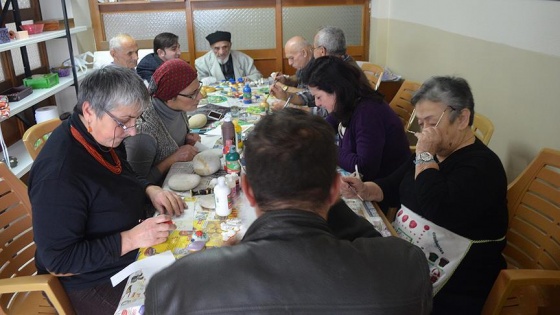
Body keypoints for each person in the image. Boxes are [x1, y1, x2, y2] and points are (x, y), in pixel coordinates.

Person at [145, 108, 432, 314]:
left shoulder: (174, 286)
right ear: (334, 191)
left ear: (247, 191)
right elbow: (377, 248)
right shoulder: (405, 266)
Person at [341, 76, 509, 315]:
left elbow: (437, 208)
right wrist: (366, 189)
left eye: (430, 122)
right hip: (411, 253)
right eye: (420, 124)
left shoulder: (483, 167)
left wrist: (425, 156)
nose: (423, 132)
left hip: (456, 282)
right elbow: (393, 185)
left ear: (462, 118)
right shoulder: (432, 154)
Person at [28, 67, 185, 315]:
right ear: (90, 110)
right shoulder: (59, 176)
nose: (132, 131)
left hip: (126, 250)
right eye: (124, 122)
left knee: (193, 273)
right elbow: (58, 261)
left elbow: (122, 172)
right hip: (91, 279)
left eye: (136, 120)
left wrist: (149, 189)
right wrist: (132, 239)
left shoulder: (101, 135)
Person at [306, 56, 410, 182]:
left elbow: (363, 167)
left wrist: (327, 147)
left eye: (319, 97)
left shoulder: (368, 112)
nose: (317, 103)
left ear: (336, 90)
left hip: (385, 189)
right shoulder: (346, 102)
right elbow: (324, 128)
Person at [125, 58, 201, 185]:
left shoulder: (178, 106)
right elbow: (134, 186)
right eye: (193, 94)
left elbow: (173, 137)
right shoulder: (143, 134)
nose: (200, 96)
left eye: (198, 89)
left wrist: (186, 139)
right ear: (170, 98)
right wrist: (172, 159)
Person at [195, 30, 262, 83]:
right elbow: (200, 82)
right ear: (211, 47)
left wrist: (248, 78)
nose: (222, 52)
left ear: (230, 45)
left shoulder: (244, 58)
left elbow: (257, 75)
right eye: (217, 48)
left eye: (225, 47)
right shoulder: (201, 62)